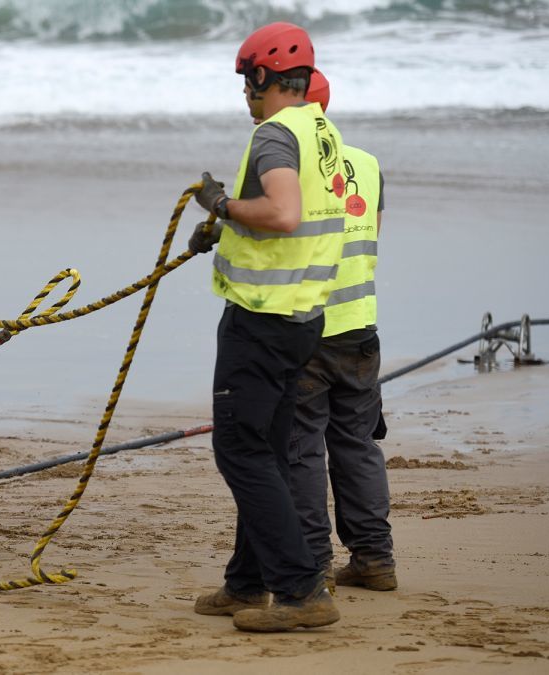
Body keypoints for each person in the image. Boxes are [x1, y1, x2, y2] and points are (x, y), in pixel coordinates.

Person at [187, 22, 346, 632]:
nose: (243, 95)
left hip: (264, 319)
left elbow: (283, 212)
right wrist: (227, 226)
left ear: (261, 77)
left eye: (244, 81)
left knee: (241, 451)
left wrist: (223, 207)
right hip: (303, 315)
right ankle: (247, 584)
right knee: (269, 451)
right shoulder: (320, 129)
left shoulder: (275, 135)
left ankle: (301, 593)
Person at [287, 70, 397, 591]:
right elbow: (372, 233)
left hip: (307, 329)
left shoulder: (289, 169)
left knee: (302, 449)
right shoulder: (370, 165)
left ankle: (313, 566)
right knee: (357, 445)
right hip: (360, 328)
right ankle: (374, 559)